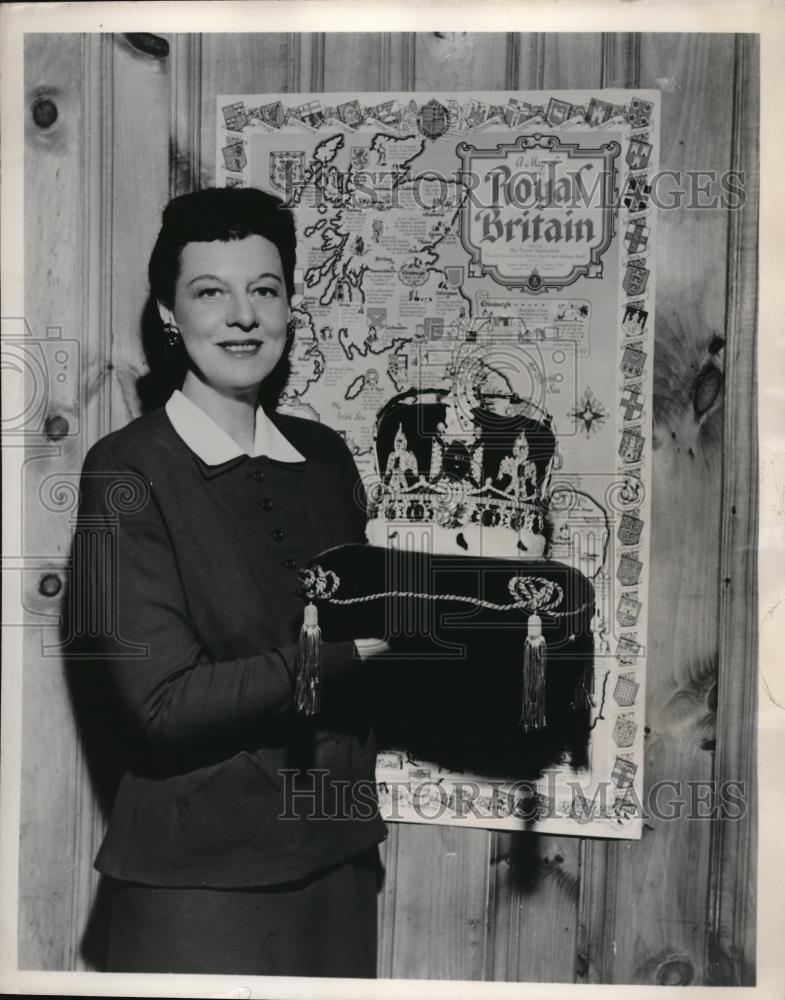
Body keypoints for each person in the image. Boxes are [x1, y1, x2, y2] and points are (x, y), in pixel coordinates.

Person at [70, 187, 389, 976]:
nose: (243, 316)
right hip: (199, 884)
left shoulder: (324, 458)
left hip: (339, 861)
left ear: (289, 309)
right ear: (169, 316)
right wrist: (367, 648)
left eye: (265, 289)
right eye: (211, 292)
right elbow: (162, 708)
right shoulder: (124, 469)